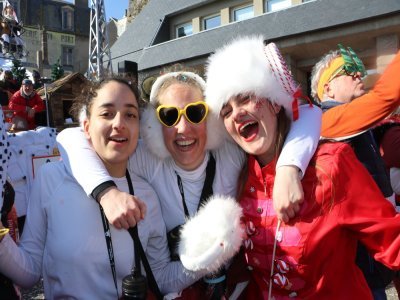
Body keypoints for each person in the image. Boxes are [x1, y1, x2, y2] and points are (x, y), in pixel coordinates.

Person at [202, 35, 400, 299]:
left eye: (245, 98)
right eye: (226, 111)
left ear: (274, 102)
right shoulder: (241, 176)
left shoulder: (331, 164)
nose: (236, 114)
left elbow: (392, 243)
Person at [0, 77, 200, 299]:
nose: (119, 123)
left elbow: (161, 278)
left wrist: (209, 258)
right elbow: (28, 273)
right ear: (86, 127)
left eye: (130, 115)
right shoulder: (51, 179)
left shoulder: (147, 196)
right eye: (107, 114)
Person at [310, 45, 400, 299]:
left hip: (374, 258)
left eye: (360, 69)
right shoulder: (328, 119)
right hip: (359, 265)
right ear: (326, 88)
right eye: (349, 70)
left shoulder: (357, 123)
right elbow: (385, 98)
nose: (359, 75)